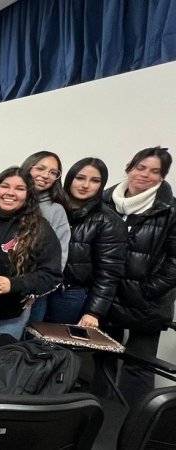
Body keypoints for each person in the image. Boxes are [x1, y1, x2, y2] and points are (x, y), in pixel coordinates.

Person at [97, 146, 176, 406]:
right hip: (108, 295)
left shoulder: (170, 209)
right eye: (140, 167)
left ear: (162, 177)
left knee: (139, 366)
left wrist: (149, 290)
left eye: (154, 171)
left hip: (147, 302)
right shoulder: (105, 200)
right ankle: (100, 417)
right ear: (129, 168)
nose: (145, 175)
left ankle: (135, 423)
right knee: (103, 361)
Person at [0, 167, 61, 342]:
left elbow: (51, 275)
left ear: (29, 195)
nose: (10, 193)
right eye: (5, 186)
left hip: (7, 316)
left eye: (20, 188)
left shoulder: (40, 229)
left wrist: (14, 284)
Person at [43, 158, 126, 326]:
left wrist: (94, 312)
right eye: (80, 178)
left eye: (95, 181)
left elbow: (109, 273)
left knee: (56, 341)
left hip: (69, 294)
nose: (85, 185)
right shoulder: (52, 208)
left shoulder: (109, 221)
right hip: (39, 287)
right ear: (69, 178)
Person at [21, 151, 70, 322]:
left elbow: (60, 255)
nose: (45, 175)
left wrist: (36, 291)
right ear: (28, 167)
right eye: (40, 168)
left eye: (53, 172)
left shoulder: (56, 210)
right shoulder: (9, 199)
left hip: (33, 292)